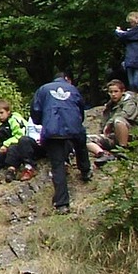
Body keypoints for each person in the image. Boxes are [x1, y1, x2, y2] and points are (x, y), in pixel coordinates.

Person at [32, 71, 91, 212]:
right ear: (68, 79)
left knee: (57, 166)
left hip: (52, 131)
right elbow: (80, 110)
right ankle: (85, 170)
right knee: (80, 144)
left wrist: (44, 122)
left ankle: (62, 204)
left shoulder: (43, 89)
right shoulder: (73, 89)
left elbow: (35, 111)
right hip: (74, 126)